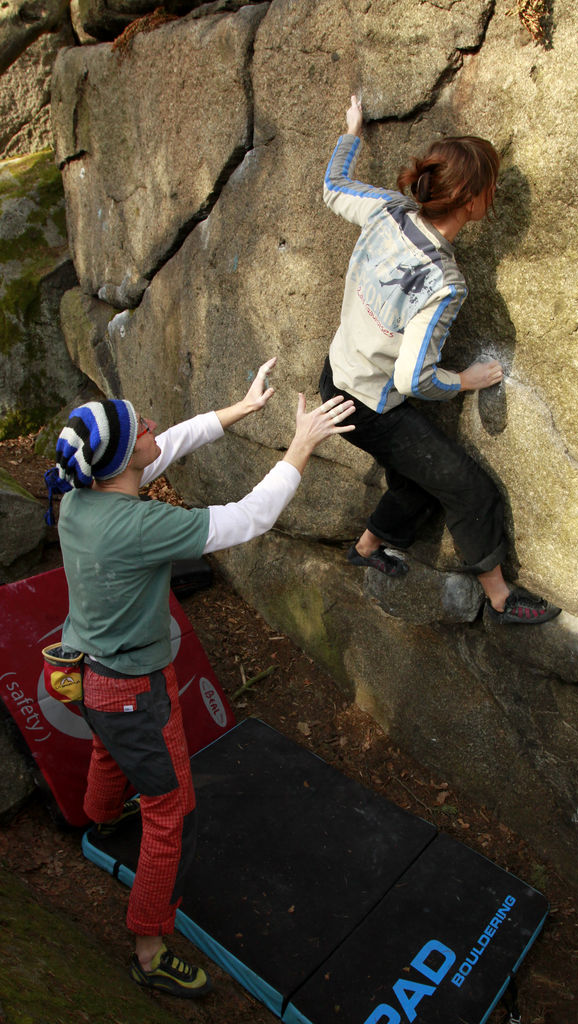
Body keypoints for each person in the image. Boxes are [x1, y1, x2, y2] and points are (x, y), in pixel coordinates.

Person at [45, 359, 354, 997]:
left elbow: (174, 441)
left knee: (107, 749)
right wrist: (300, 445)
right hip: (136, 693)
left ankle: (97, 819)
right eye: (141, 428)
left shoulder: (82, 495)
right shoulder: (138, 526)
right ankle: (150, 948)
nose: (154, 423)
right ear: (125, 463)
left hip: (92, 681)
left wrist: (239, 410)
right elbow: (247, 519)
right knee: (172, 815)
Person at [319, 95, 559, 625]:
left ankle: (366, 546)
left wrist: (351, 133)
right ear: (472, 201)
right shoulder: (445, 283)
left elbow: (333, 187)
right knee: (468, 488)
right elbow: (414, 377)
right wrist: (464, 380)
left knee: (418, 478)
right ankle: (501, 598)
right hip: (368, 405)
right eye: (492, 186)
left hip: (333, 380)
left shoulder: (387, 210)